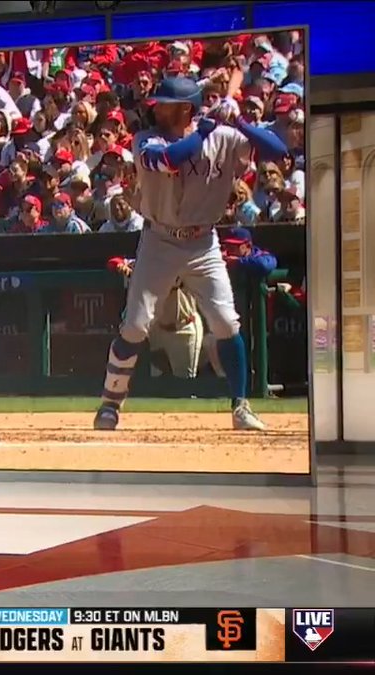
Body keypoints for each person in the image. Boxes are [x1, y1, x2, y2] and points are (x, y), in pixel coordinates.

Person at [93, 76, 288, 432]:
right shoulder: (145, 139)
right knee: (135, 326)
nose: (156, 109)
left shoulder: (224, 137)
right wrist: (204, 131)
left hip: (203, 242)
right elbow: (167, 160)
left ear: (185, 108)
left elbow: (278, 151)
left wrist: (240, 122)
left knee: (226, 323)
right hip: (159, 240)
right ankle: (110, 403)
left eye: (165, 105)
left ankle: (240, 406)